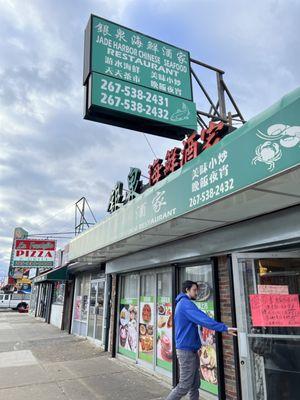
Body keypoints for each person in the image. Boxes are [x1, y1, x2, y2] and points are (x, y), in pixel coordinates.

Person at [166, 280, 237, 400]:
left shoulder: (183, 303)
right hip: (186, 351)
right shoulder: (185, 304)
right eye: (194, 290)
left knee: (195, 385)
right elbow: (202, 319)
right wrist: (224, 328)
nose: (196, 292)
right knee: (184, 386)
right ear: (187, 290)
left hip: (191, 350)